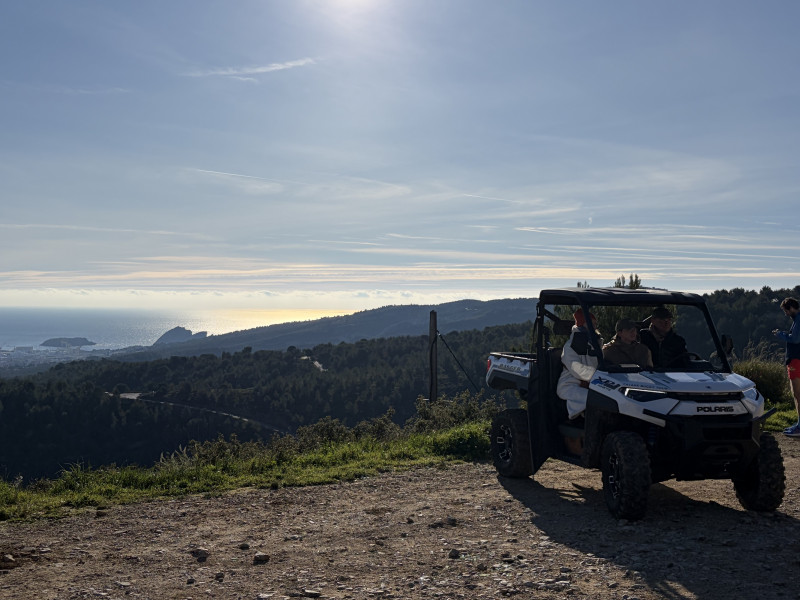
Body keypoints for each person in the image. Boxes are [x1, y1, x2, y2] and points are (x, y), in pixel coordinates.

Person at [557, 308, 601, 420]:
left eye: (595, 324)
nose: (594, 327)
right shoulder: (570, 346)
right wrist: (597, 377)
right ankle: (578, 423)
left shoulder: (595, 344)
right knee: (596, 399)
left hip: (595, 383)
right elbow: (576, 368)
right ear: (582, 324)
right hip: (571, 384)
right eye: (591, 324)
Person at [773, 297, 800, 438]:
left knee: (797, 394)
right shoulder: (797, 321)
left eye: (786, 311)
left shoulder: (798, 320)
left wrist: (781, 335)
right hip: (796, 360)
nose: (786, 314)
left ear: (791, 308)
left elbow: (795, 339)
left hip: (796, 360)